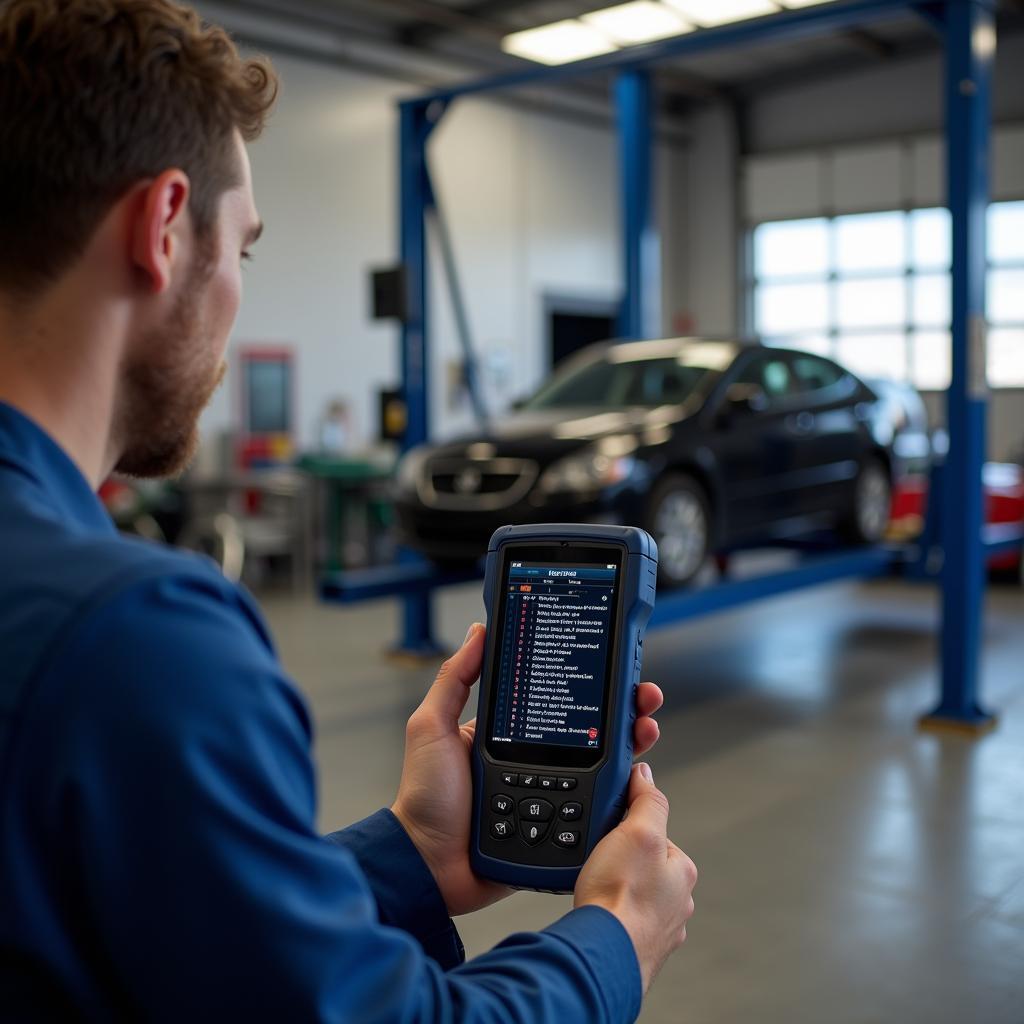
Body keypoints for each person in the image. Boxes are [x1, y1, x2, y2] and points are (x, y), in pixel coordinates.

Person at [0, 1, 698, 1020]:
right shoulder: (132, 638)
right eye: (241, 251)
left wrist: (412, 851)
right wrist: (617, 938)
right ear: (161, 228)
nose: (236, 292)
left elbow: (151, 925)